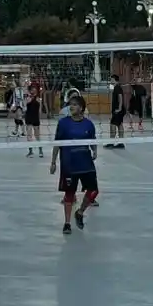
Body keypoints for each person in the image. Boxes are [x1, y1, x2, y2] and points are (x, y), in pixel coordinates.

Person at [50, 94, 98, 235]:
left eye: (75, 104)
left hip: (85, 162)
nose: (71, 107)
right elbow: (57, 143)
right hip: (69, 163)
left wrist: (95, 151)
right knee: (69, 193)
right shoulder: (63, 123)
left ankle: (80, 212)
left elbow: (93, 140)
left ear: (82, 108)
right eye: (70, 104)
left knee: (94, 191)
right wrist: (53, 162)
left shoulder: (89, 124)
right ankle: (67, 223)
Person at [104, 75, 126, 148]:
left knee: (112, 124)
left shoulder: (118, 87)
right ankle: (121, 143)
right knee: (119, 124)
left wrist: (119, 108)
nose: (110, 80)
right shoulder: (115, 87)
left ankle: (111, 143)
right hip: (118, 109)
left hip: (118, 110)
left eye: (111, 79)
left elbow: (120, 97)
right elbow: (111, 93)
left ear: (114, 79)